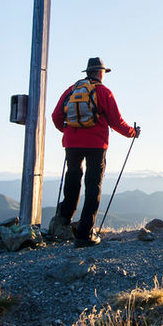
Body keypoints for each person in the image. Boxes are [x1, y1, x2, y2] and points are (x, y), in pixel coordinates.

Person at [50, 57, 140, 248]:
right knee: (93, 185)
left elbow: (56, 116)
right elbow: (117, 121)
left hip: (71, 143)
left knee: (73, 178)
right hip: (96, 145)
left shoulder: (71, 90)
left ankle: (63, 221)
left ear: (87, 72)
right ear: (101, 73)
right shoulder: (103, 92)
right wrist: (133, 133)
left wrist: (68, 131)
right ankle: (84, 233)